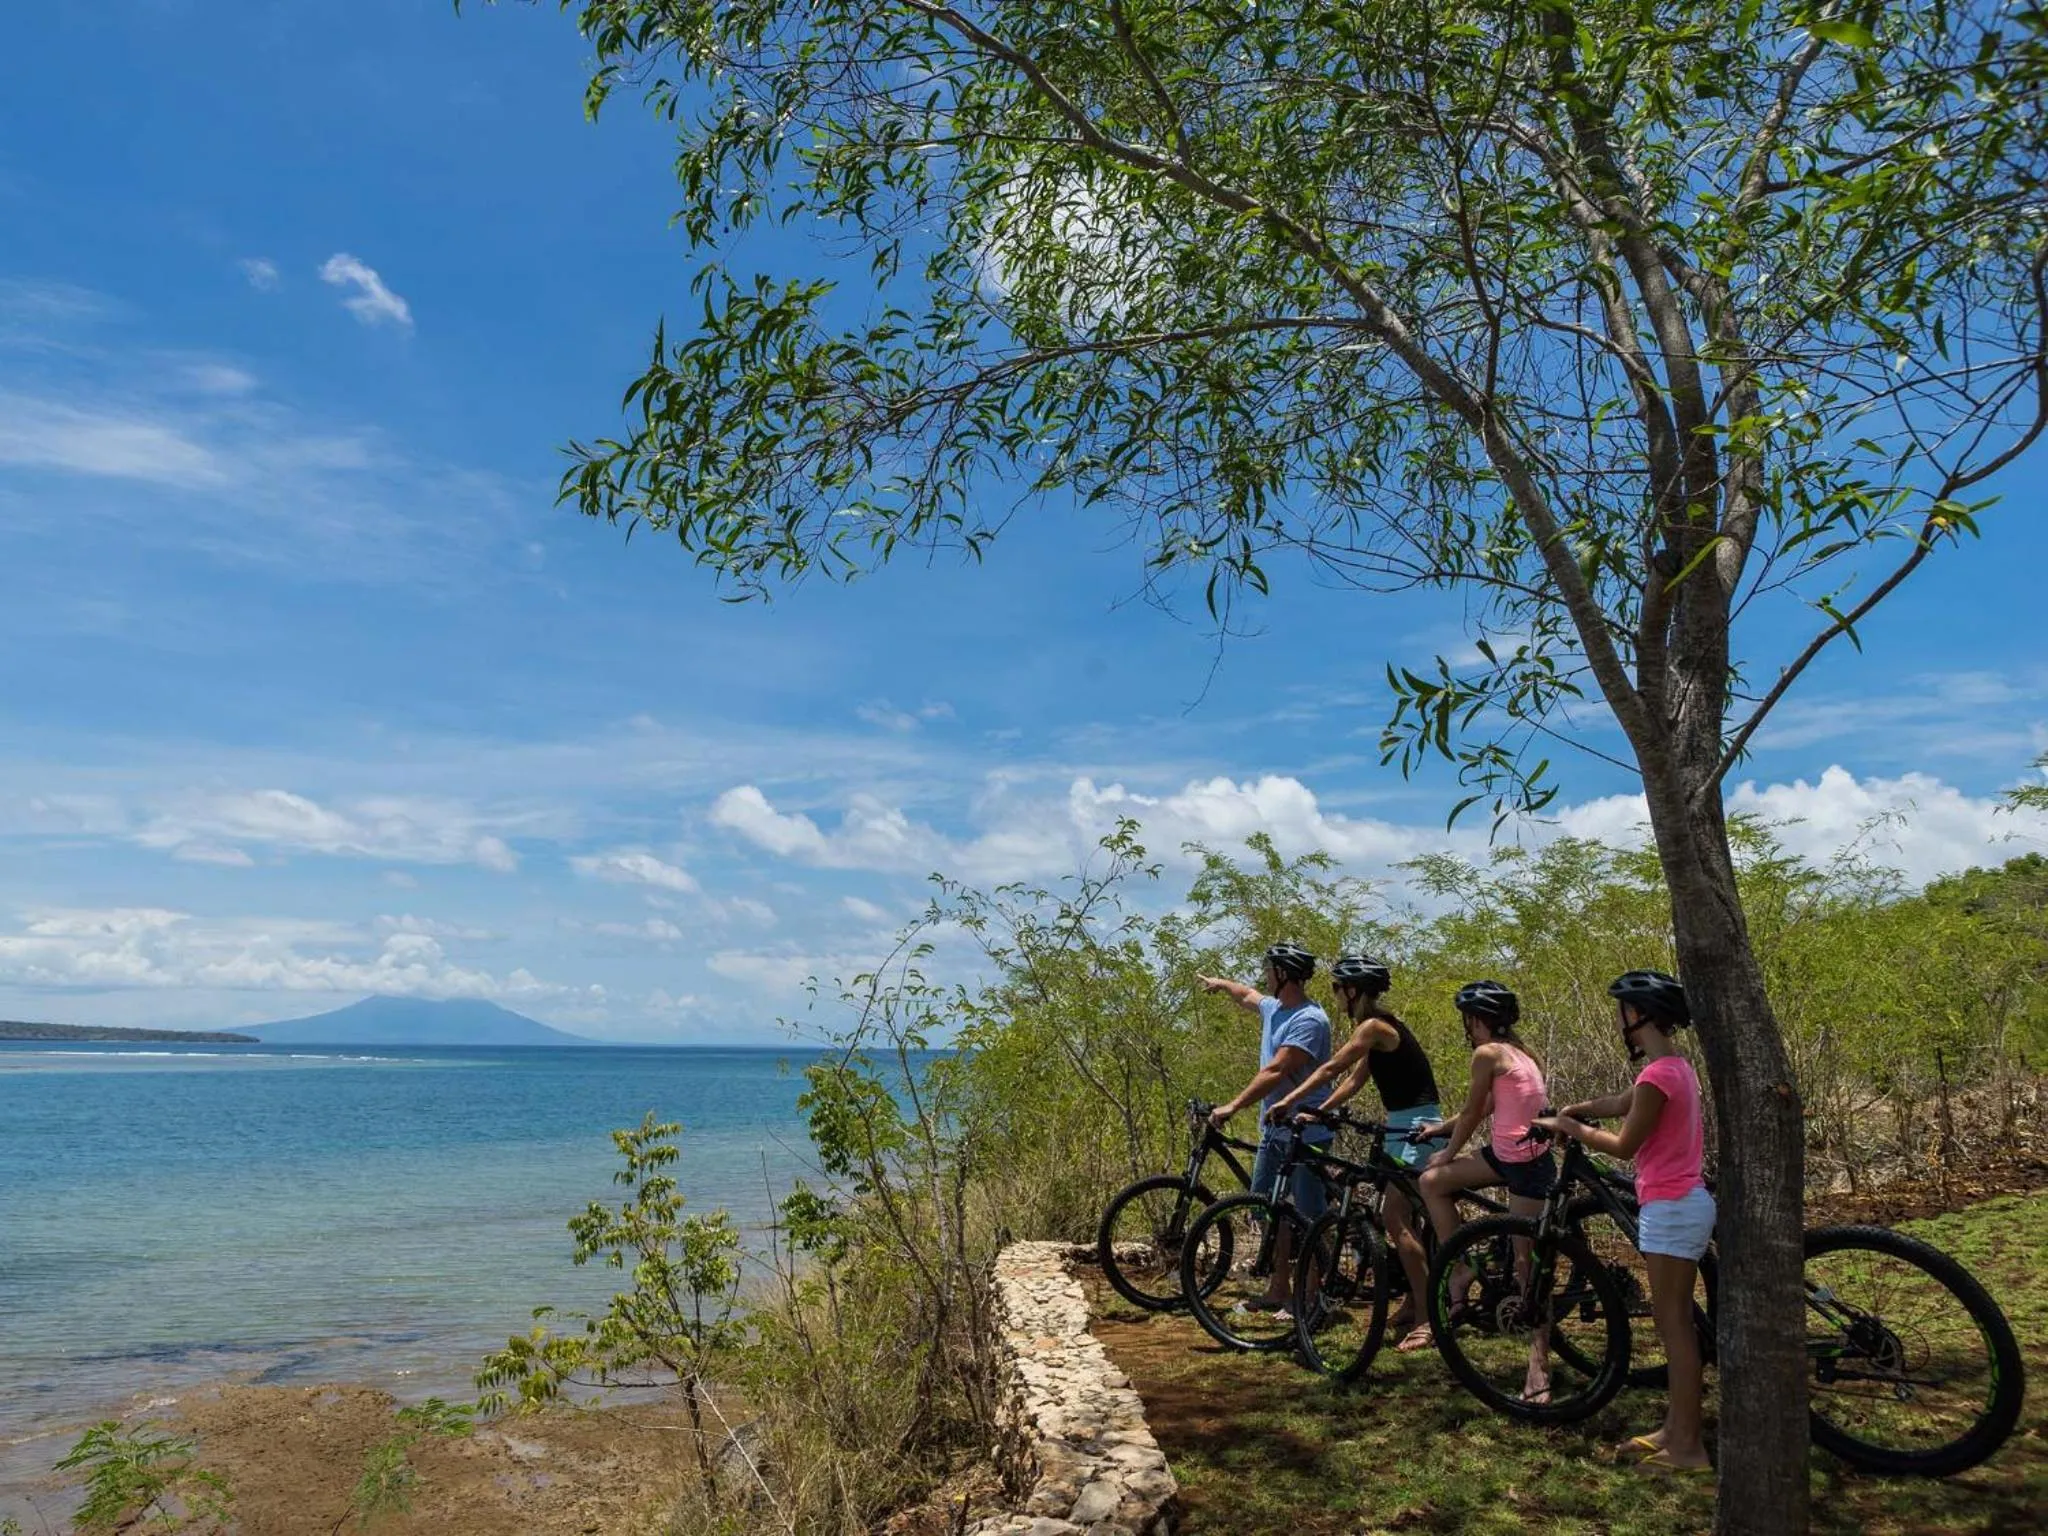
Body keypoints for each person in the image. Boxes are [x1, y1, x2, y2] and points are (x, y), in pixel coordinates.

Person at [1534, 970, 1714, 1473]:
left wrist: (1570, 1127)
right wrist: (1578, 1107)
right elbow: (1622, 1103)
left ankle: (1689, 1448)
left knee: (1675, 1327)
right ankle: (1674, 1430)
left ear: (1637, 1014)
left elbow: (1624, 1145)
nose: (1621, 1020)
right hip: (1677, 1204)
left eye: (1622, 1011)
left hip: (1673, 1208)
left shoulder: (1658, 1076)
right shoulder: (1673, 1067)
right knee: (1672, 1323)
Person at [1266, 952, 1443, 1350]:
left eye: (1336, 989)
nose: (1334, 996)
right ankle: (1415, 1301)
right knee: (1402, 1220)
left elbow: (1330, 1070)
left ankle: (1431, 1319)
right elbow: (1353, 1081)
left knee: (1394, 1218)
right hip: (1403, 1124)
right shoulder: (1378, 1029)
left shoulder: (1374, 1027)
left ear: (1352, 992)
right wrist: (1316, 1111)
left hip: (1417, 1127)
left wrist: (1289, 1101)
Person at [1415, 980, 1556, 1391]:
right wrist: (1439, 1129)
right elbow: (1489, 1106)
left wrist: (1447, 1150)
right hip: (1504, 1155)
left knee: (1529, 1270)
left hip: (1528, 1165)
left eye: (1467, 1019)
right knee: (1432, 1183)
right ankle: (1460, 1268)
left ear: (1475, 1020)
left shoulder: (1487, 1053)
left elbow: (1475, 1111)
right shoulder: (1520, 1052)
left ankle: (1538, 1367)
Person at [1197, 941, 1334, 1318]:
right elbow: (1249, 996)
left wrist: (1232, 1106)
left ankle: (1313, 1296)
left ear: (1284, 974)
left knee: (1308, 1216)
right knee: (1266, 1208)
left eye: (1270, 968)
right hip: (1275, 1131)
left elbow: (1277, 1070)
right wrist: (1221, 983)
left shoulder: (1309, 1020)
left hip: (1307, 1131)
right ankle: (1279, 1290)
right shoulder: (1275, 1008)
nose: (1265, 974)